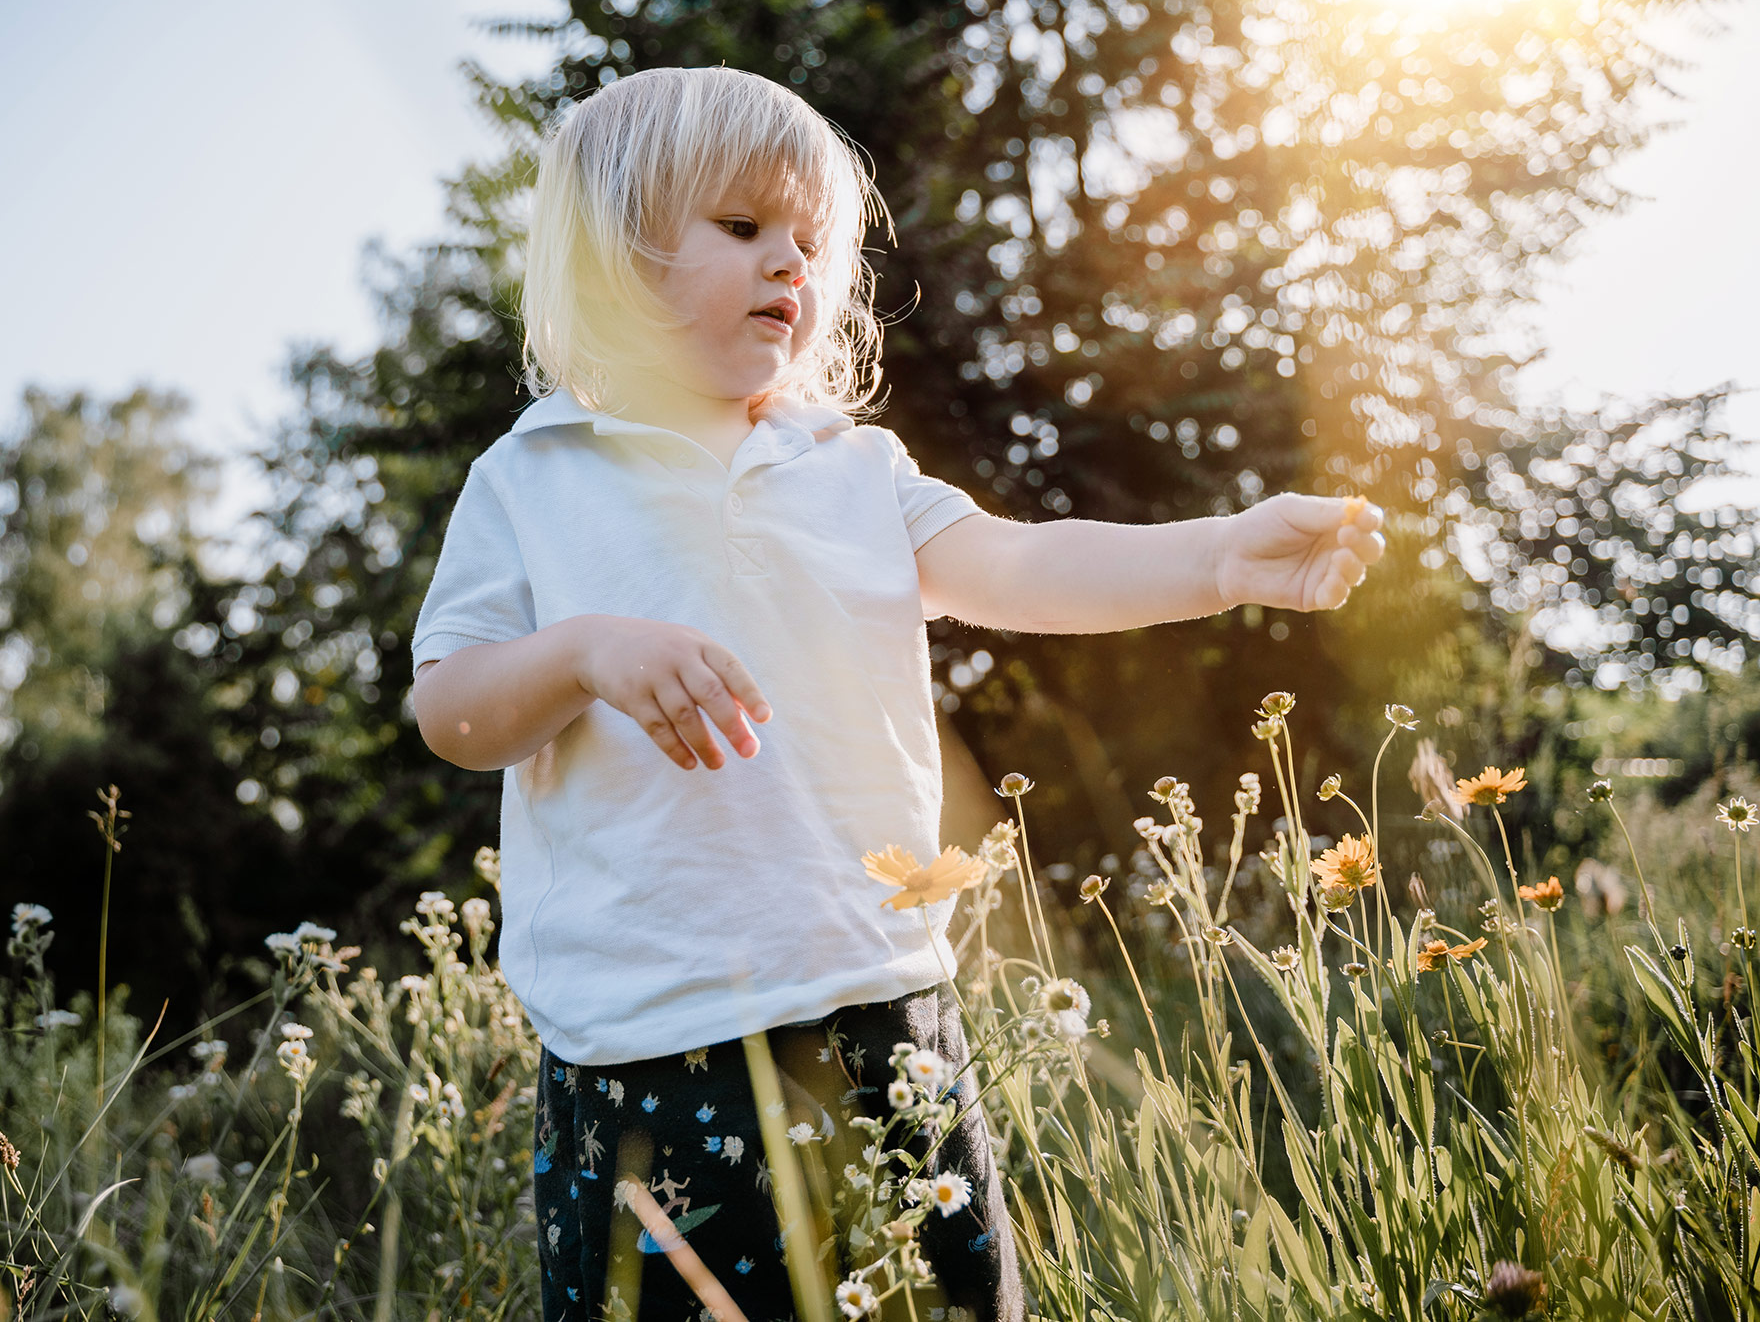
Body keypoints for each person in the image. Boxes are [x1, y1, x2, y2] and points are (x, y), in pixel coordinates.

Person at [410, 66, 1385, 1322]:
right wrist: (584, 650)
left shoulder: (853, 469)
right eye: (742, 226)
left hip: (882, 1003)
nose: (789, 263)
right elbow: (454, 711)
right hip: (646, 1043)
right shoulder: (532, 477)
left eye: (809, 241)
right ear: (612, 257)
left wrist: (1216, 557)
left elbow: (1020, 566)